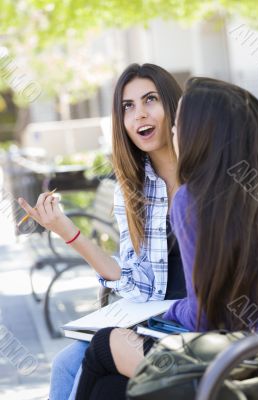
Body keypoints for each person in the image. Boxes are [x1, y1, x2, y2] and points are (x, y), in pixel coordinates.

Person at [75, 77, 258, 399]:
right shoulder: (246, 191)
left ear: (202, 134)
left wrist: (170, 312)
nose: (175, 133)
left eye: (179, 126)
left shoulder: (193, 199)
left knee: (103, 347)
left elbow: (205, 314)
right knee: (111, 384)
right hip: (247, 349)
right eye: (128, 106)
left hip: (231, 359)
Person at [18, 63, 185, 400]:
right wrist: (66, 230)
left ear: (173, 107)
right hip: (155, 320)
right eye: (128, 107)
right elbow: (137, 284)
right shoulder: (134, 190)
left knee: (101, 383)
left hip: (196, 324)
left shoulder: (208, 176)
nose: (139, 114)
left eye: (150, 100)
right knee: (66, 362)